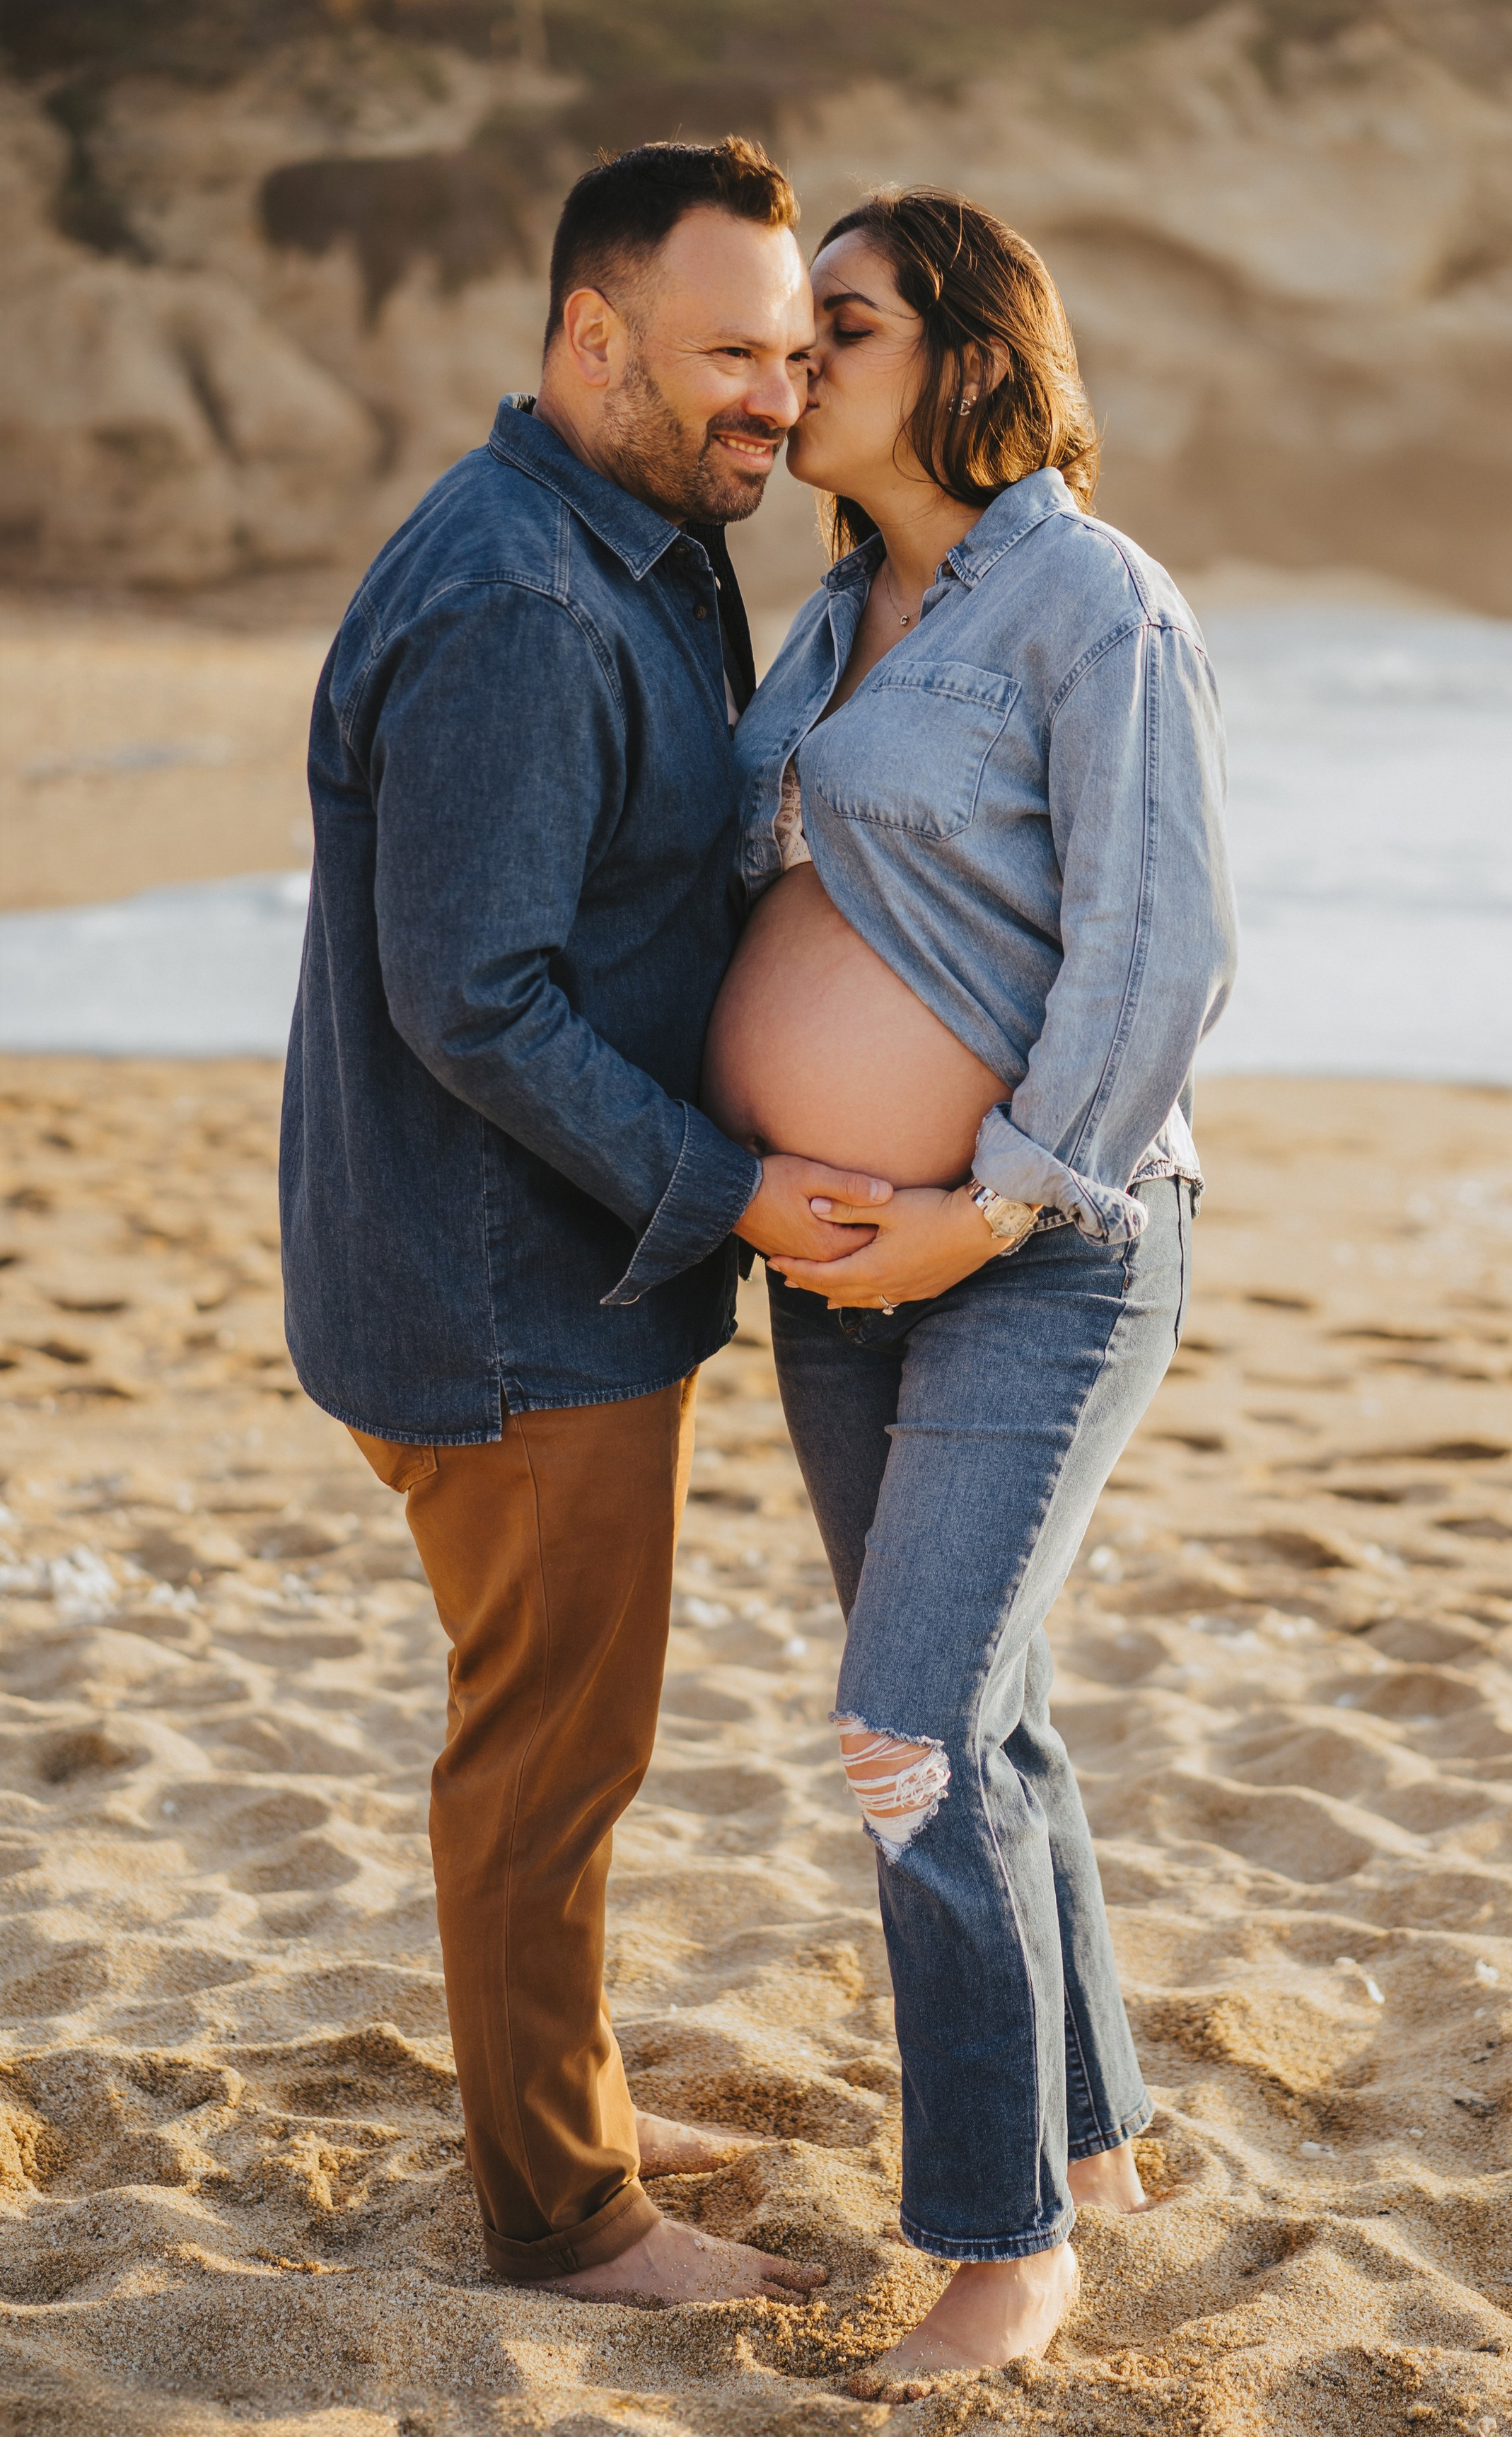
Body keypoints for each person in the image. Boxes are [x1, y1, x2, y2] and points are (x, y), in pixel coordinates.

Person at [279, 138, 894, 2308]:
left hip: (537, 1278)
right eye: (729, 350)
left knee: (567, 1734)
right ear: (589, 334)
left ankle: (577, 2101)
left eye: (799, 353)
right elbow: (475, 996)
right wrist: (729, 1180)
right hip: (505, 1298)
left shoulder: (633, 538)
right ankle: (565, 2213)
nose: (771, 395)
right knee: (548, 1757)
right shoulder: (525, 605)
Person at [702, 188, 1237, 2395]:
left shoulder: (1090, 603)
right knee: (985, 1712)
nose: (794, 363)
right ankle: (1093, 2142)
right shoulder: (829, 622)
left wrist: (988, 1203)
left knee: (906, 1729)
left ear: (967, 355)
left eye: (839, 323)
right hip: (843, 1272)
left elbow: (1163, 947)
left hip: (1050, 1251)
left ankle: (1006, 2242)